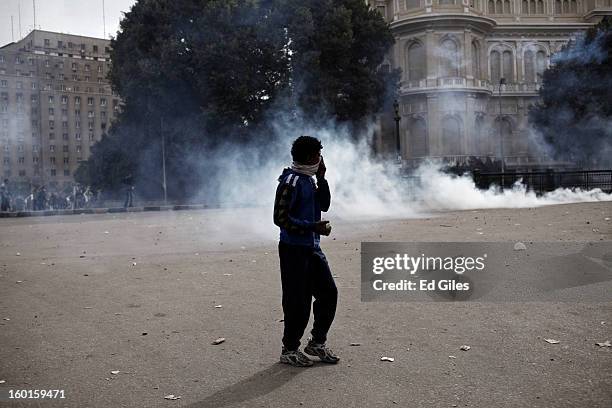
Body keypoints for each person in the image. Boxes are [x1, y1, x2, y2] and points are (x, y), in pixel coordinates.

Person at [273, 135, 339, 367]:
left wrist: (322, 178)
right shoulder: (290, 181)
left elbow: (324, 205)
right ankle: (289, 349)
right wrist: (312, 227)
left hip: (312, 248)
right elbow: (279, 218)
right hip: (293, 250)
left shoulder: (311, 179)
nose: (320, 158)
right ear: (311, 157)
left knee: (329, 293)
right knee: (297, 302)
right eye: (318, 155)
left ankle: (316, 343)